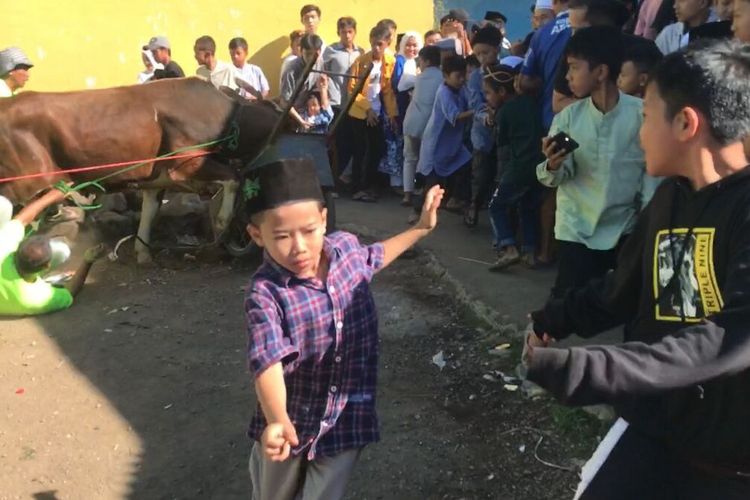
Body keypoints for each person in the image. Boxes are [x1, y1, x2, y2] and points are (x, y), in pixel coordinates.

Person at [525, 39, 750, 500]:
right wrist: (555, 318)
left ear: (686, 123)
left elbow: (731, 338)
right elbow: (624, 285)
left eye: (646, 117)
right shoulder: (670, 197)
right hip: (655, 428)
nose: (638, 133)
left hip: (730, 462)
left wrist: (589, 370)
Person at [243, 158, 445, 500]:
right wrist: (277, 419)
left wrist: (421, 228)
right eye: (281, 236)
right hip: (290, 420)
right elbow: (267, 362)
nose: (300, 247)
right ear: (256, 235)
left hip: (344, 417)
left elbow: (375, 257)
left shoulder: (346, 250)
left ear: (324, 220)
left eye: (309, 230)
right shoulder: (265, 293)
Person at [537, 26, 658, 299]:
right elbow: (553, 177)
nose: (567, 77)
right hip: (575, 228)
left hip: (624, 227)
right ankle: (538, 340)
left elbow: (651, 174)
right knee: (562, 305)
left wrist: (648, 224)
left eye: (573, 68)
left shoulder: (640, 115)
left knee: (632, 304)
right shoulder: (568, 118)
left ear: (601, 72)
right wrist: (554, 165)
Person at [0, 190, 105, 317]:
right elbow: (70, 292)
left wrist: (50, 196)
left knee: (3, 205)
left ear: (15, 252)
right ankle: (50, 280)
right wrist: (87, 260)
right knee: (62, 251)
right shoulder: (37, 299)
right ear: (47, 266)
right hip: (21, 293)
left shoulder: (4, 247)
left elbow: (22, 219)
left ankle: (53, 278)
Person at [483, 64, 545, 270]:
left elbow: (501, 143)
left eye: (488, 93)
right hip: (540, 166)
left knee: (496, 206)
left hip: (519, 166)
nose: (487, 98)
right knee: (527, 207)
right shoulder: (530, 101)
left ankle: (508, 247)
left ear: (501, 92)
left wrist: (493, 122)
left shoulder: (504, 112)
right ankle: (530, 252)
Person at [347, 25, 398, 203]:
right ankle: (356, 188)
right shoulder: (361, 62)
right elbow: (352, 91)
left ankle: (370, 186)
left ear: (387, 44)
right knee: (360, 150)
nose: (376, 48)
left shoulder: (389, 61)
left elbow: (387, 90)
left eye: (380, 44)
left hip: (377, 113)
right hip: (360, 113)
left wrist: (392, 114)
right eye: (373, 43)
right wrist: (367, 109)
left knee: (376, 150)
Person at [416, 55, 474, 213]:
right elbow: (455, 115)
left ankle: (455, 199)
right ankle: (418, 211)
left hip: (453, 142)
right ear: (446, 76)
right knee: (433, 181)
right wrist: (476, 112)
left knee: (465, 165)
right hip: (438, 142)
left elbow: (470, 100)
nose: (462, 79)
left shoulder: (461, 89)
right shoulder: (444, 92)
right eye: (458, 76)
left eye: (464, 76)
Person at [465, 26, 503, 227]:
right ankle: (473, 206)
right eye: (477, 54)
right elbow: (475, 104)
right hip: (482, 135)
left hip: (504, 133)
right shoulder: (475, 77)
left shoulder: (506, 70)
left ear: (497, 49)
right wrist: (485, 117)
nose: (481, 58)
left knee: (500, 175)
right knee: (480, 175)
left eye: (485, 53)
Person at [520, 0, 572, 132]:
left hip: (551, 119)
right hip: (586, 118)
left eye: (542, 17)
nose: (537, 23)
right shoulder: (588, 25)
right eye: (535, 18)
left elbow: (524, 81)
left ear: (554, 4)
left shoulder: (540, 35)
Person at [381, 31, 423, 194]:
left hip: (414, 110)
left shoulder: (420, 62)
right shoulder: (399, 61)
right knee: (397, 146)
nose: (411, 48)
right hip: (399, 109)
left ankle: (411, 183)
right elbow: (397, 84)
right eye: (408, 44)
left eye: (414, 45)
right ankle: (396, 183)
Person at [402, 45, 443, 208]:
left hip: (412, 122)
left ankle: (407, 194)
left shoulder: (418, 78)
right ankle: (423, 195)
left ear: (426, 61)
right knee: (426, 161)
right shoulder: (442, 78)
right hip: (430, 125)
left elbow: (402, 87)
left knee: (409, 158)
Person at [280, 34, 326, 129]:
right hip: (290, 115)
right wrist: (301, 121)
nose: (311, 58)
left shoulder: (320, 63)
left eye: (315, 54)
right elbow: (284, 102)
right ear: (301, 51)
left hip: (308, 113)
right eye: (308, 54)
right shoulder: (291, 69)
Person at [194, 36, 258, 96]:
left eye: (197, 53)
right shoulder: (199, 72)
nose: (195, 56)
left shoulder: (228, 69)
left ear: (208, 54)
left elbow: (248, 89)